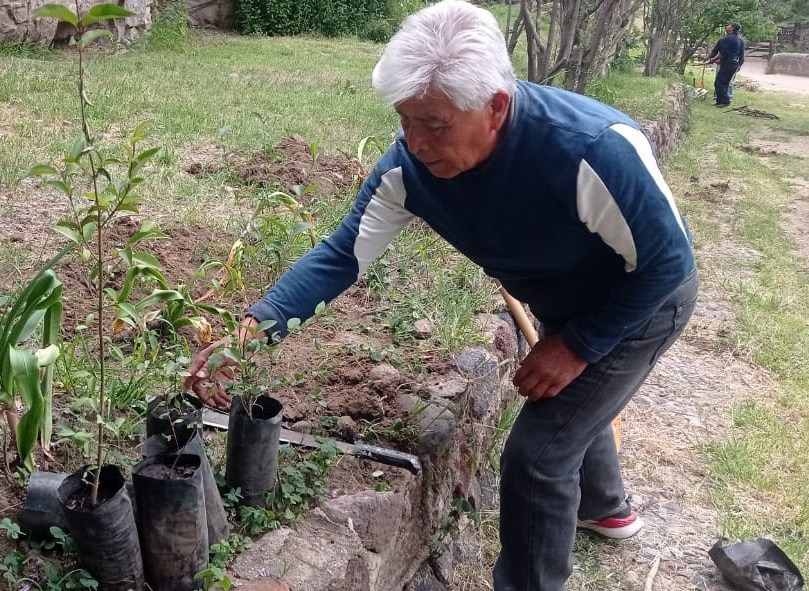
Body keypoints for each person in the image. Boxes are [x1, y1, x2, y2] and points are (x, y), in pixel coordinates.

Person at [183, 1, 697, 589]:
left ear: (496, 108)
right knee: (573, 406)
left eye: (435, 124)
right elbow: (339, 256)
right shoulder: (407, 171)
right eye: (406, 120)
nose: (416, 142)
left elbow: (667, 262)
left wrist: (578, 345)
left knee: (538, 454)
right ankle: (605, 507)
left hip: (643, 300)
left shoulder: (592, 149)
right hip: (561, 292)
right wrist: (252, 333)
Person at [705, 22, 746, 107]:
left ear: (732, 28)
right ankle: (720, 101)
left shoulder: (728, 39)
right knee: (725, 83)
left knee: (719, 82)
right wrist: (739, 65)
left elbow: (722, 53)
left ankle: (725, 101)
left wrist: (712, 60)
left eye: (729, 26)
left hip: (728, 63)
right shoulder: (740, 40)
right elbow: (741, 55)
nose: (727, 27)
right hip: (734, 63)